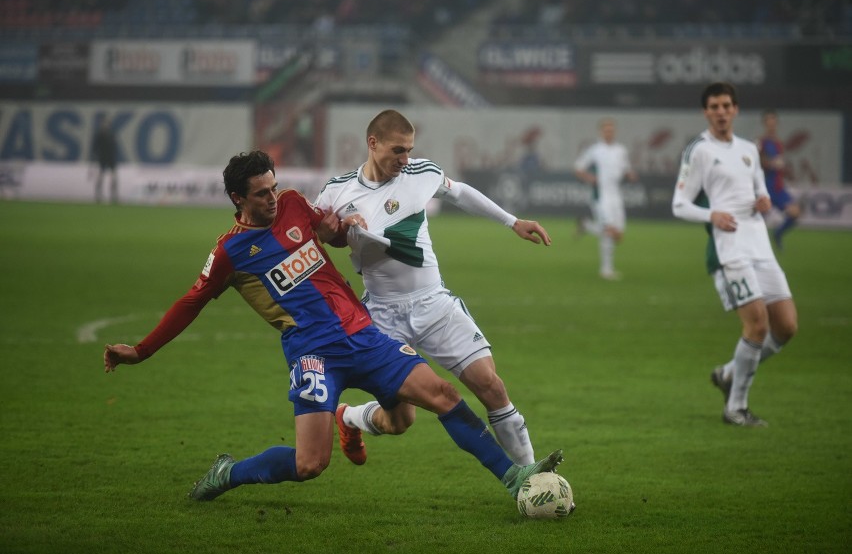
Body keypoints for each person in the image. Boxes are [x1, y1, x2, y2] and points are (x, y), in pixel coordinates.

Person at [102, 149, 562, 503]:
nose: (273, 198)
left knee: (440, 398)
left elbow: (333, 231)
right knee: (310, 464)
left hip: (363, 334)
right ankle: (230, 472)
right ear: (237, 199)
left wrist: (347, 226)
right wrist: (141, 351)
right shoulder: (230, 253)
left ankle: (515, 478)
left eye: (274, 187)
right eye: (261, 193)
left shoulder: (293, 207)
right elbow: (190, 302)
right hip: (312, 353)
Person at [315, 110, 551, 467]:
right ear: (373, 143)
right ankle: (350, 417)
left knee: (492, 386)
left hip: (434, 306)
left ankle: (531, 477)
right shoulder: (337, 190)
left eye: (409, 150)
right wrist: (340, 228)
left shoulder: (421, 173)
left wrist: (512, 221)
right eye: (398, 150)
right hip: (381, 317)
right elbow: (312, 238)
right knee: (400, 421)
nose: (405, 159)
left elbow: (460, 193)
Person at [672, 82, 799, 427]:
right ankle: (736, 408)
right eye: (714, 106)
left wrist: (764, 201)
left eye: (726, 105)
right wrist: (710, 215)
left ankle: (729, 372)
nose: (721, 111)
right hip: (730, 250)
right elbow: (679, 204)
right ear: (706, 112)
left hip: (759, 245)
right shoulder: (698, 150)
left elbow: (761, 191)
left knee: (786, 326)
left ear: (735, 109)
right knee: (757, 324)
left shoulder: (748, 149)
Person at [573, 118, 638, 280]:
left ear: (614, 131)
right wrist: (591, 178)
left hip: (616, 195)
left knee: (619, 233)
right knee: (610, 231)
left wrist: (630, 175)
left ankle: (587, 225)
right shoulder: (595, 150)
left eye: (611, 129)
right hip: (601, 196)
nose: (609, 132)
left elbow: (626, 169)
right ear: (601, 132)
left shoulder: (621, 150)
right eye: (606, 130)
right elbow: (578, 168)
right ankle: (606, 270)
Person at [757, 109, 800, 251]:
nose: (772, 124)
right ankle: (756, 247)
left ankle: (777, 233)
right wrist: (771, 164)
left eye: (774, 121)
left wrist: (782, 168)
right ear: (765, 124)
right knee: (757, 222)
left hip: (778, 187)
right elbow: (757, 163)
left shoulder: (779, 143)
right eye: (769, 121)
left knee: (795, 213)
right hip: (765, 188)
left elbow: (780, 164)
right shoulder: (761, 142)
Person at [91, 116, 119, 204]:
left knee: (114, 177)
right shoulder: (99, 135)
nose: (105, 125)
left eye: (106, 124)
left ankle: (113, 195)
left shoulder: (111, 134)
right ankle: (98, 195)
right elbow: (95, 147)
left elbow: (114, 147)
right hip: (103, 158)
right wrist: (95, 157)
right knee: (101, 177)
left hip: (111, 158)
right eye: (104, 124)